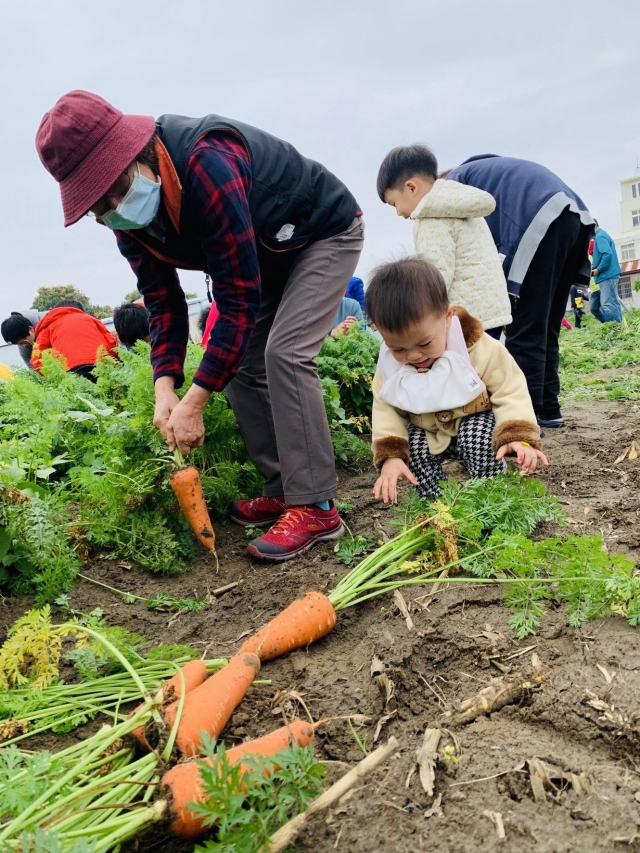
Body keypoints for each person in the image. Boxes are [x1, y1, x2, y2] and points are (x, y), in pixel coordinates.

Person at [37, 90, 363, 561]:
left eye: (116, 186)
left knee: (285, 353)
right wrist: (165, 390)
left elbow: (236, 298)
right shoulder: (123, 220)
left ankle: (315, 504)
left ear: (139, 151)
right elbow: (163, 302)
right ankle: (282, 486)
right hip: (263, 260)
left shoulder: (208, 162)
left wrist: (195, 402)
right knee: (242, 364)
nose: (112, 206)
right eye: (98, 203)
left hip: (322, 233)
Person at [366, 259, 546, 503]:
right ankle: (435, 506)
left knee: (480, 439)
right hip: (427, 430)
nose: (413, 356)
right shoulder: (389, 366)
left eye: (424, 343)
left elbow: (510, 389)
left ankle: (491, 497)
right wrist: (391, 456)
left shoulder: (479, 349)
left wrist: (518, 435)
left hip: (473, 420)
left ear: (448, 317)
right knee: (416, 451)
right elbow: (386, 407)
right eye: (398, 348)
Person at [444, 155, 594, 430]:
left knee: (525, 329)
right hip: (575, 217)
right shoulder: (489, 174)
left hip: (540, 217)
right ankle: (548, 409)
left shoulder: (450, 186)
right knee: (546, 326)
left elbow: (473, 250)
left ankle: (524, 419)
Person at [376, 145, 511, 340]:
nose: (398, 212)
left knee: (460, 369)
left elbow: (436, 277)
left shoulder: (430, 217)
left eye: (394, 203)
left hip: (463, 319)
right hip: (490, 313)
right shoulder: (458, 203)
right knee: (484, 367)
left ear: (411, 187)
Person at [31, 303, 118, 380]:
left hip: (71, 370)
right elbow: (111, 343)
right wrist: (117, 365)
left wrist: (51, 379)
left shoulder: (48, 326)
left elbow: (38, 359)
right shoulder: (91, 319)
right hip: (100, 364)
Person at [590, 220, 623, 323]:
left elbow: (607, 254)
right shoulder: (602, 235)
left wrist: (598, 270)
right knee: (613, 303)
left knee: (608, 304)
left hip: (607, 275)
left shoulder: (600, 237)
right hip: (609, 275)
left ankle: (614, 331)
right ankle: (619, 329)